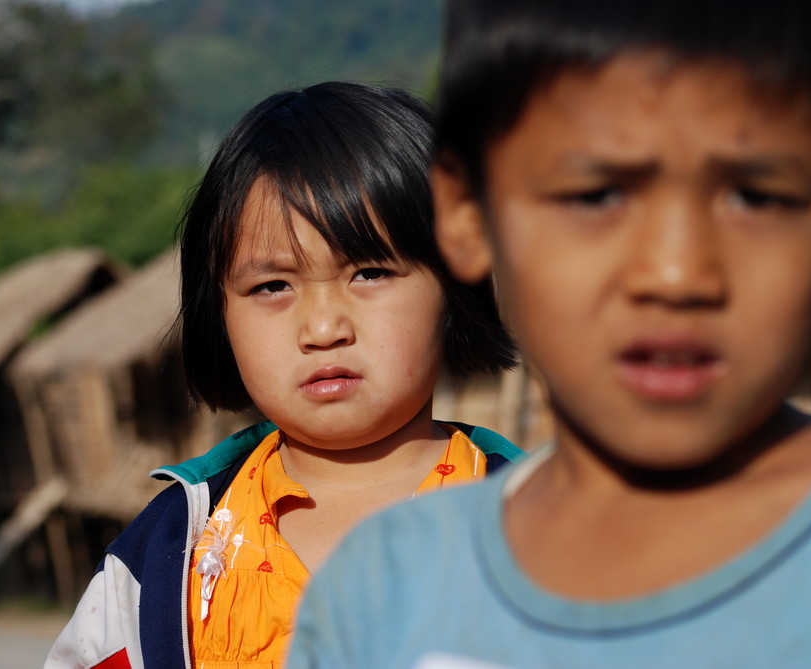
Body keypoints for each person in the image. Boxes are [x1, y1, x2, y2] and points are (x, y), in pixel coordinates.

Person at [287, 1, 811, 667]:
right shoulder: (381, 593)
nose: (676, 274)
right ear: (467, 212)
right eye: (595, 196)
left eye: (756, 197)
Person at [44, 81, 520, 669]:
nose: (322, 327)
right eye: (272, 286)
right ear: (218, 316)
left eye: (369, 273)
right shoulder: (166, 556)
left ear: (455, 286)